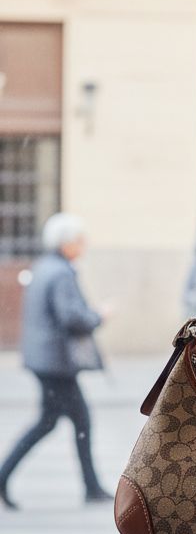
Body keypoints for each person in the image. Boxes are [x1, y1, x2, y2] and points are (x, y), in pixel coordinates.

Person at [0, 214, 112, 510]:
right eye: (80, 240)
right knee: (74, 421)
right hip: (55, 362)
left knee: (54, 421)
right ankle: (90, 487)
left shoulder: (44, 267)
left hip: (45, 360)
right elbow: (71, 316)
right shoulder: (61, 273)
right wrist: (98, 316)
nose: (84, 245)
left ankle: (91, 486)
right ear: (67, 243)